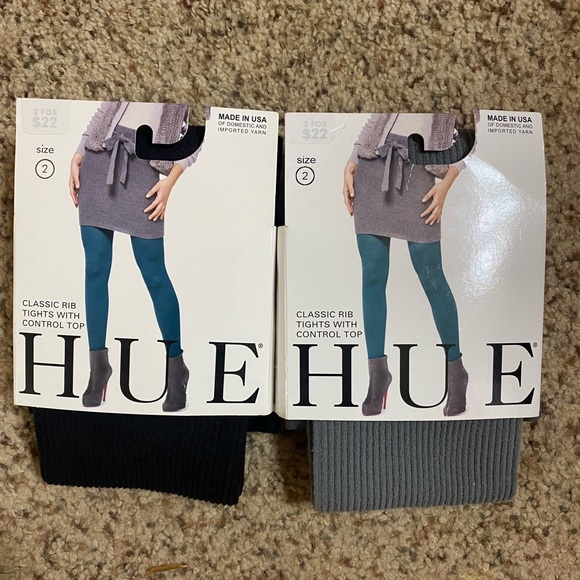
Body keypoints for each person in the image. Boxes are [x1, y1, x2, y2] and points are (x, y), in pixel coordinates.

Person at [68, 101, 200, 412]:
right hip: (98, 163)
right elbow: (105, 110)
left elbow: (197, 135)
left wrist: (170, 182)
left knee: (154, 274)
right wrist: (78, 153)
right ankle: (98, 367)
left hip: (145, 169)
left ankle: (177, 367)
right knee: (95, 270)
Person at [343, 113, 468, 417]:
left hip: (420, 172)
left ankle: (456, 372)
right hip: (372, 170)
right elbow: (376, 118)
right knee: (372, 277)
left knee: (431, 276)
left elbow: (471, 135)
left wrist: (447, 183)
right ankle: (377, 375)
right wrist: (351, 161)